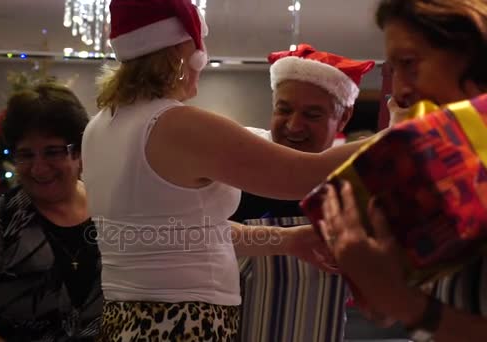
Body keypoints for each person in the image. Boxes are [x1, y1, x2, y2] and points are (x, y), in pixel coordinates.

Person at [82, 0, 369, 339]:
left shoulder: (99, 127)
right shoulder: (176, 125)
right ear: (181, 54)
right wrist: (406, 134)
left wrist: (289, 240)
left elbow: (182, 234)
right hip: (182, 323)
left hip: (125, 321)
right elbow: (305, 177)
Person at [319, 0, 487, 341]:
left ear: (471, 54)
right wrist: (385, 290)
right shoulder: (455, 171)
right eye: (395, 70)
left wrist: (407, 304)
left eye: (410, 64)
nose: (400, 91)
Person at [0, 83, 103, 342]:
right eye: (25, 155)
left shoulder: (110, 209)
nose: (39, 168)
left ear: (78, 151)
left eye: (52, 152)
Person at [232, 45, 375, 342]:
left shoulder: (355, 189)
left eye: (312, 114)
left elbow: (379, 306)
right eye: (284, 110)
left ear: (344, 118)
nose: (294, 125)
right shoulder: (233, 170)